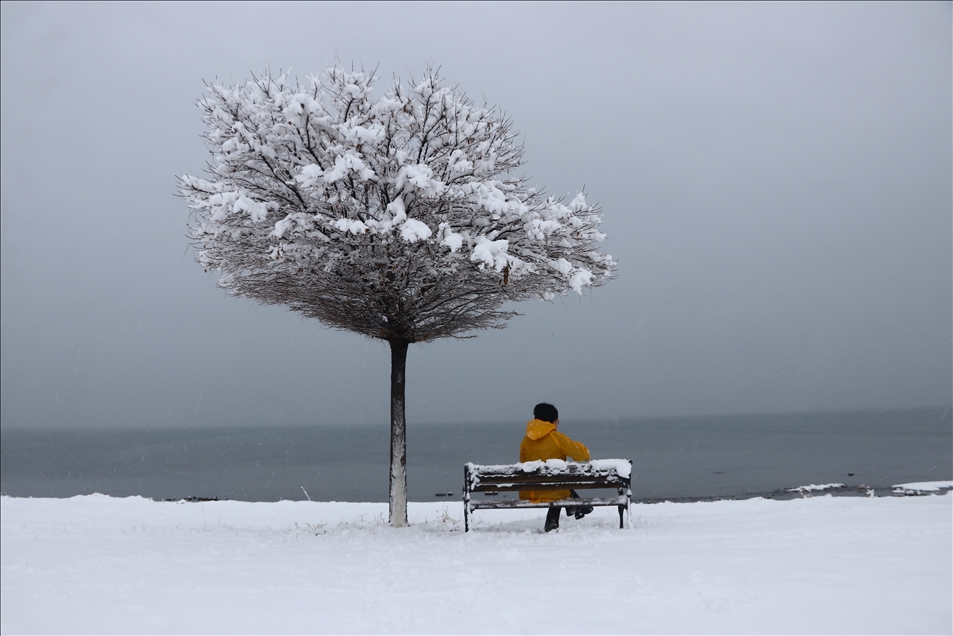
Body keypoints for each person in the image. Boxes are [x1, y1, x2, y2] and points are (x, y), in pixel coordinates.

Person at [519, 403, 594, 532]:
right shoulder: (556, 438)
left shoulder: (526, 440)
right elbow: (581, 455)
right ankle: (576, 508)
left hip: (531, 491)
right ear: (552, 420)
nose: (559, 421)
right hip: (553, 490)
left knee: (555, 481)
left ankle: (578, 507)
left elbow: (523, 461)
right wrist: (586, 452)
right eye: (557, 419)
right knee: (557, 482)